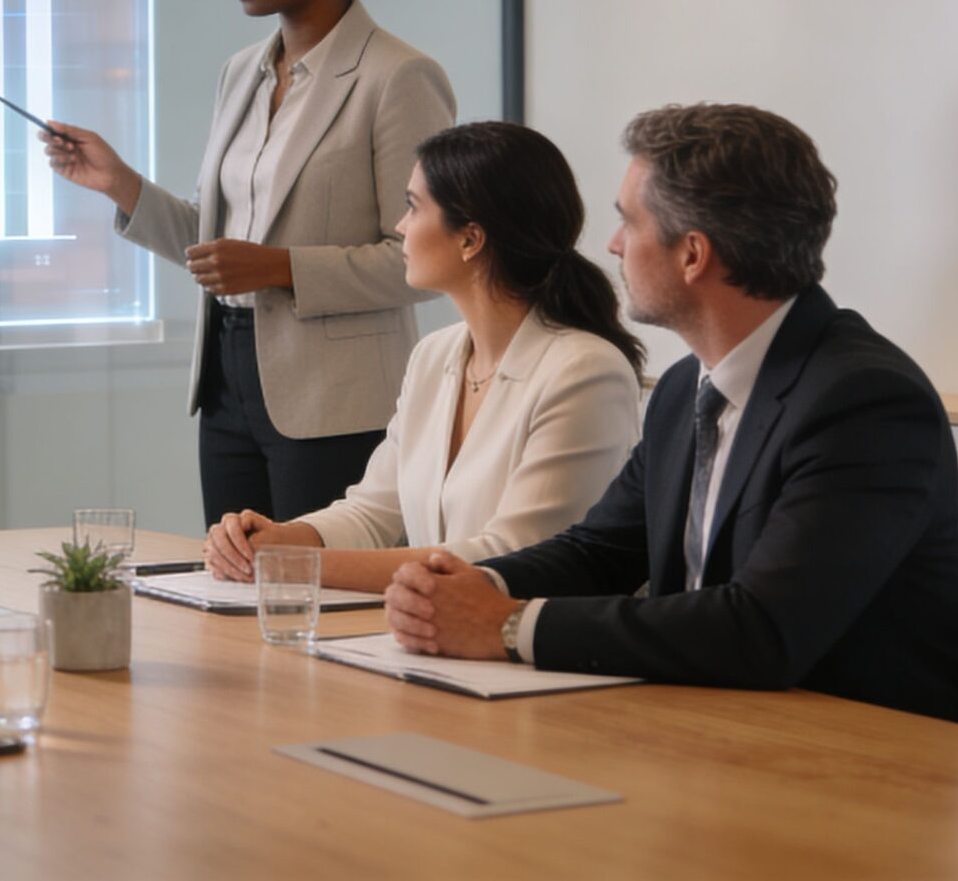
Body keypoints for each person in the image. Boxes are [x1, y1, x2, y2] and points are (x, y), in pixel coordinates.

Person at [382, 104, 958, 724]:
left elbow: (763, 630)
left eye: (628, 222)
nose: (613, 244)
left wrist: (510, 626)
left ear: (693, 254)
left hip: (870, 754)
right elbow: (600, 552)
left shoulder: (864, 402)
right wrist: (470, 585)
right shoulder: (682, 389)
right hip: (713, 724)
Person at [45, 0, 457, 523]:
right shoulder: (242, 72)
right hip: (228, 383)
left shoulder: (398, 77)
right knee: (233, 585)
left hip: (336, 398)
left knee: (318, 600)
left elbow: (415, 262)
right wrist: (120, 185)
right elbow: (219, 251)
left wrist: (281, 268)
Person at [202, 122, 642, 595]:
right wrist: (279, 538)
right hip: (443, 638)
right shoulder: (435, 355)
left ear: (470, 238)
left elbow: (512, 555)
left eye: (413, 207)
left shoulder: (585, 371)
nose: (400, 226)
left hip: (545, 651)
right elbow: (372, 511)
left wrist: (292, 565)